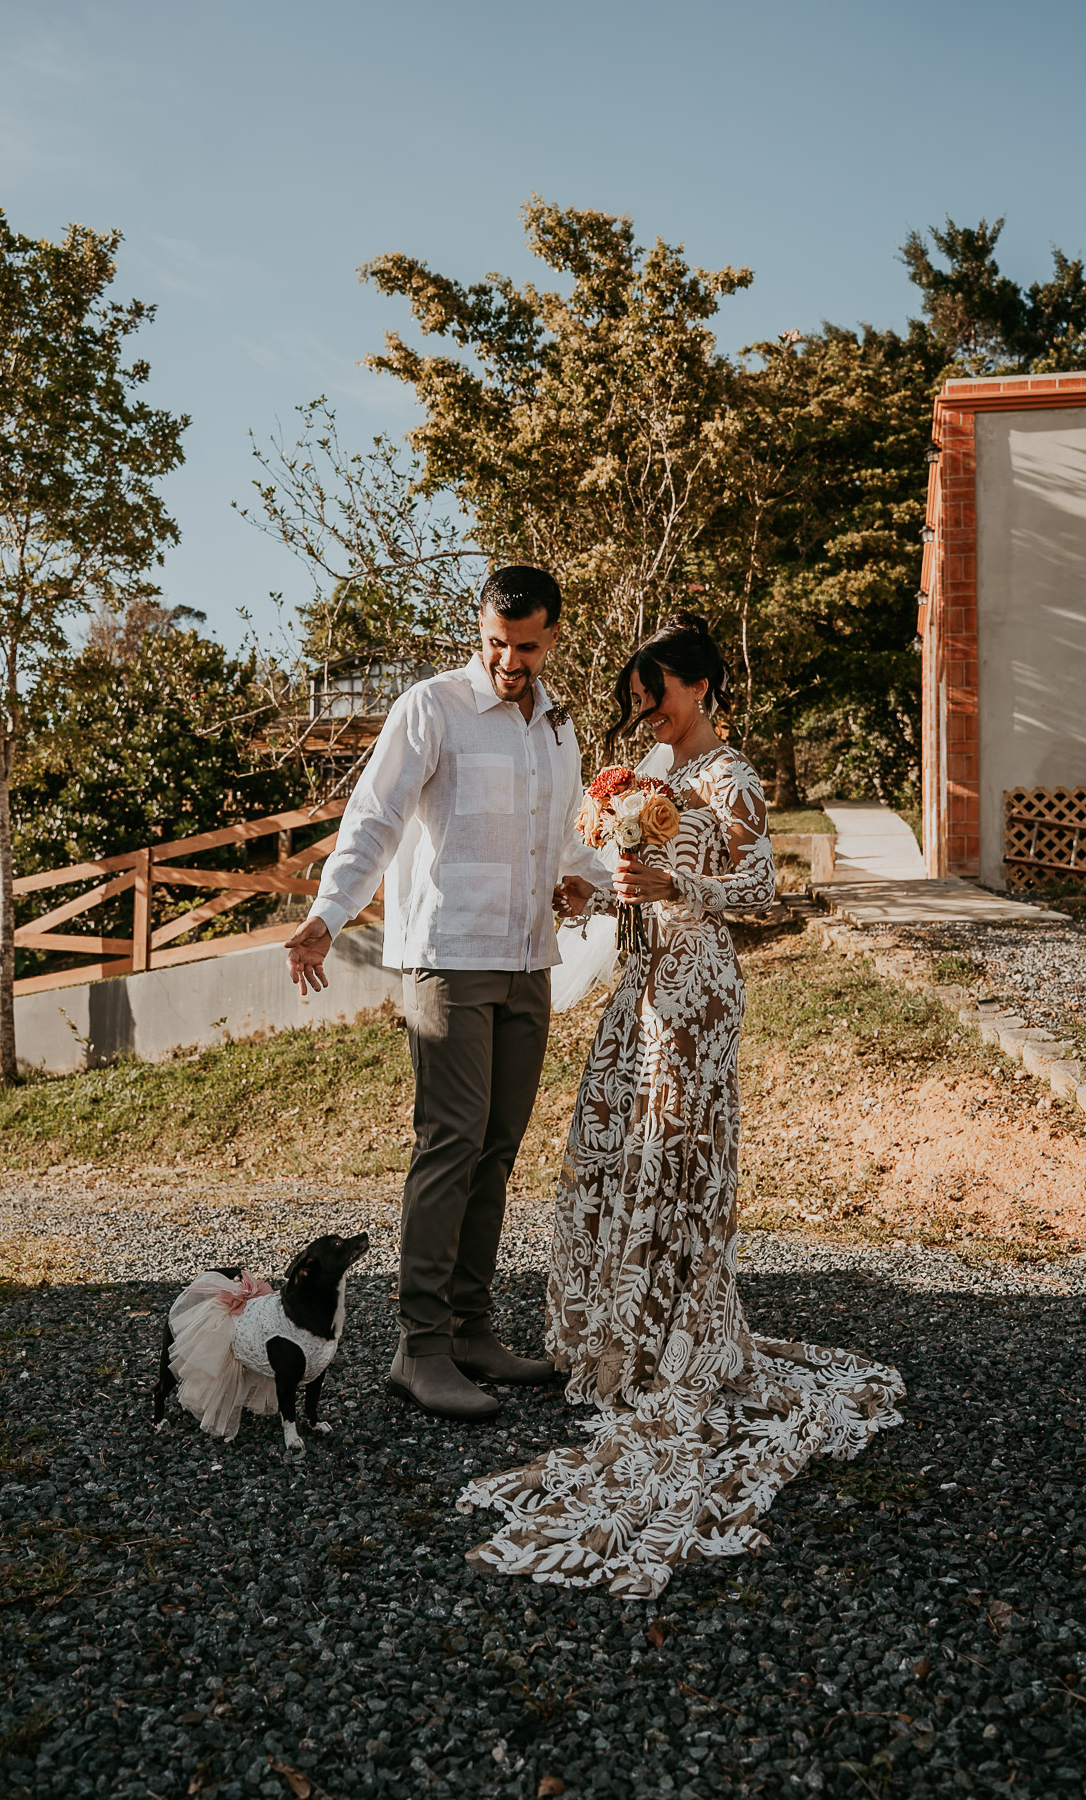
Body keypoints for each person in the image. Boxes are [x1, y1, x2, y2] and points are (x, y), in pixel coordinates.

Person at [460, 613, 905, 1595]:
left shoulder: (732, 776)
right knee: (611, 1142)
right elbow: (642, 885)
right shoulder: (652, 773)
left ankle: (677, 1336)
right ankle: (616, 1336)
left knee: (674, 1154)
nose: (646, 711)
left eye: (655, 693)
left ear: (700, 687)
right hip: (643, 980)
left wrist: (676, 880)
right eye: (637, 698)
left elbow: (761, 888)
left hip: (699, 987)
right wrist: (598, 896)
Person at [287, 566, 604, 1422]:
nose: (510, 660)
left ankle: (469, 1330)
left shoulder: (558, 727)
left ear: (552, 637)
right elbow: (376, 817)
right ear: (481, 631)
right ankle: (418, 1348)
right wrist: (327, 915)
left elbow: (568, 836)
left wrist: (587, 883)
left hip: (529, 959)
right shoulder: (431, 707)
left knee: (497, 1148)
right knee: (451, 1142)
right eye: (497, 643)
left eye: (526, 646)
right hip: (448, 960)